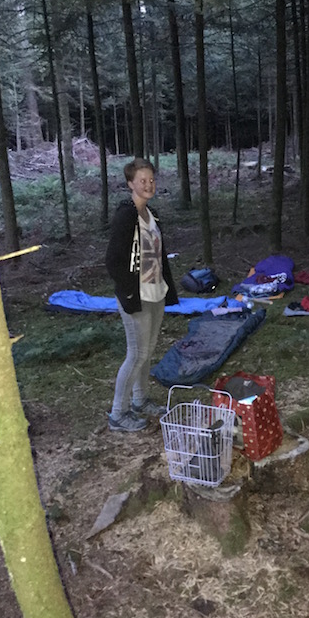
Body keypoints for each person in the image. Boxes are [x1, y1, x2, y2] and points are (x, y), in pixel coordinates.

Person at [105, 158, 178, 433]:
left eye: (151, 180)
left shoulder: (151, 214)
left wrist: (166, 287)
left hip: (156, 292)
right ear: (130, 184)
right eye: (142, 181)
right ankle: (118, 413)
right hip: (136, 297)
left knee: (147, 352)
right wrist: (128, 292)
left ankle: (140, 400)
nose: (148, 185)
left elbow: (159, 255)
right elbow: (113, 260)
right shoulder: (126, 216)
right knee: (136, 354)